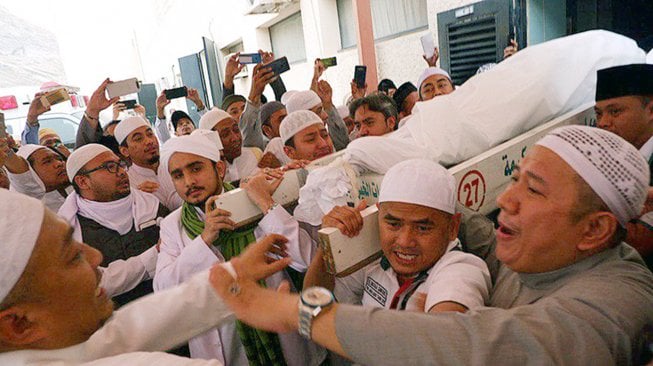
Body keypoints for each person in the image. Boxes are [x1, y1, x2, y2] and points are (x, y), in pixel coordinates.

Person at [208, 125, 653, 365]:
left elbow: (462, 345)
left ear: (594, 231)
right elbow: (452, 216)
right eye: (513, 178)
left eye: (533, 190)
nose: (506, 200)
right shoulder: (525, 245)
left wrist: (290, 312)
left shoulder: (618, 301)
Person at [0, 187, 295, 365]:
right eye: (73, 256)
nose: (96, 257)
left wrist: (234, 274)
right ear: (18, 324)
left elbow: (126, 330)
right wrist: (307, 312)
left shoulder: (47, 345)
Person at [154, 132, 324, 365]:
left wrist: (265, 204)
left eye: (196, 169)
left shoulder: (252, 198)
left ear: (220, 169)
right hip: (220, 344)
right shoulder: (173, 225)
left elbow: (307, 260)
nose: (188, 182)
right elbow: (163, 287)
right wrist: (205, 240)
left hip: (280, 334)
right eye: (178, 175)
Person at [305, 159, 490, 313]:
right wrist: (325, 248)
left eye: (423, 228)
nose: (404, 241)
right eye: (393, 224)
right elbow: (313, 309)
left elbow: (448, 332)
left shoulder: (462, 269)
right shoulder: (372, 260)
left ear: (452, 227)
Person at [57, 143, 169, 306]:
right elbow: (94, 284)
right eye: (109, 167)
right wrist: (152, 256)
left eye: (120, 164)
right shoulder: (69, 230)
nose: (122, 172)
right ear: (83, 181)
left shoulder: (150, 205)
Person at [594, 63, 653, 269]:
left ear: (651, 110)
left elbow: (640, 241)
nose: (603, 123)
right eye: (599, 114)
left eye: (615, 111)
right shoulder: (610, 159)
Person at [114, 116, 182, 210]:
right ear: (125, 151)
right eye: (138, 139)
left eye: (150, 134)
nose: (149, 141)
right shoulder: (129, 184)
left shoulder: (176, 163)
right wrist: (137, 197)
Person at [198, 109, 261, 184]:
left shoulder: (255, 155)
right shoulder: (208, 172)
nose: (235, 138)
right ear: (211, 141)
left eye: (236, 130)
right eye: (225, 134)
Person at [3, 143, 71, 211]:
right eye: (47, 161)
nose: (59, 163)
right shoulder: (30, 202)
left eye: (59, 159)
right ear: (31, 173)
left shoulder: (76, 189)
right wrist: (5, 150)